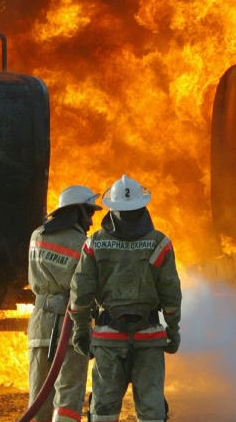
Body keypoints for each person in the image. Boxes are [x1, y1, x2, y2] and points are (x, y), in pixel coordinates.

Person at [70, 174, 182, 422]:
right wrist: (173, 330)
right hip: (150, 340)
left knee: (103, 411)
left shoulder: (95, 243)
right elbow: (171, 294)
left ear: (112, 209)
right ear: (143, 206)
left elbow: (81, 291)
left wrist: (80, 330)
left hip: (108, 341)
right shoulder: (160, 243)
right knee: (152, 410)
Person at [27, 185, 101, 422]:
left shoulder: (36, 235)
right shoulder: (83, 243)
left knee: (39, 396)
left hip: (40, 325)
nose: (90, 220)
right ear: (76, 211)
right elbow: (90, 288)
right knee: (69, 395)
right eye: (88, 213)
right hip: (70, 328)